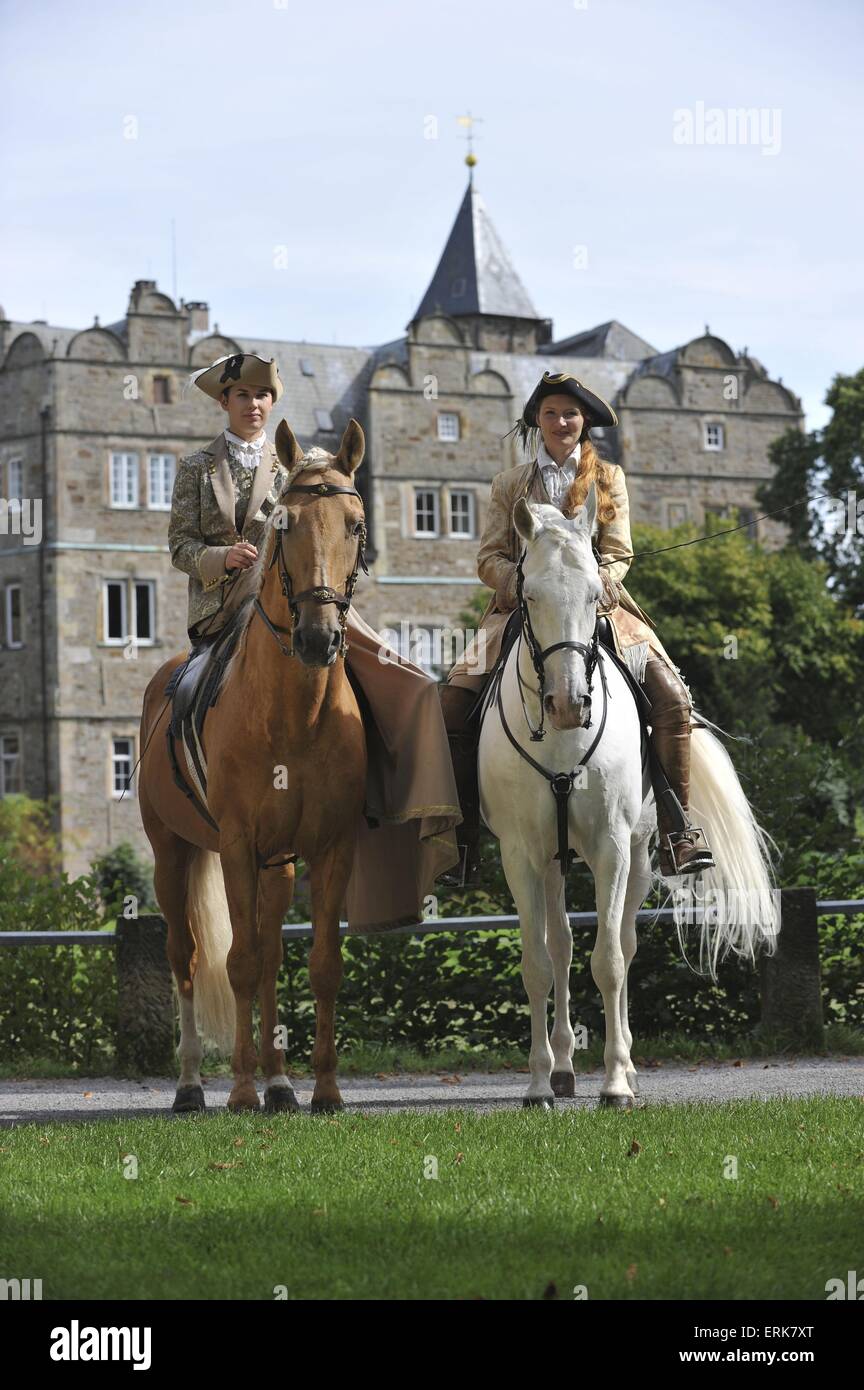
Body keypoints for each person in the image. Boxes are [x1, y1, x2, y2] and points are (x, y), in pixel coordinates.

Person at [165, 352, 461, 929]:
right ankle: (183, 772)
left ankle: (402, 810)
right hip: (227, 610)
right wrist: (219, 556)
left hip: (308, 609)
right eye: (242, 397)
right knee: (185, 688)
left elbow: (338, 535)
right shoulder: (198, 468)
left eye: (261, 397)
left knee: (410, 683)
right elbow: (179, 546)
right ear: (224, 404)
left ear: (272, 404)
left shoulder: (297, 470)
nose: (253, 405)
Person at [439, 370, 716, 883]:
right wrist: (520, 581)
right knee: (451, 704)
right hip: (522, 608)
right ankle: (460, 843)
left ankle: (678, 832)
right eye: (551, 413)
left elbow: (619, 552)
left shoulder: (609, 478)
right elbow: (488, 557)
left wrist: (599, 582)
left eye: (570, 413)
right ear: (537, 422)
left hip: (600, 609)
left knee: (673, 700)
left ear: (582, 419)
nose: (561, 421)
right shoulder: (509, 484)